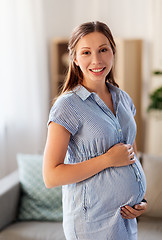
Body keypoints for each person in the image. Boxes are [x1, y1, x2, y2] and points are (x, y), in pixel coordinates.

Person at [43, 21, 147, 240]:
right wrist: (108, 160)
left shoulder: (123, 98)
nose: (97, 60)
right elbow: (51, 176)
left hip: (125, 221)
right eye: (86, 52)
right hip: (93, 225)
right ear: (75, 58)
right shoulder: (67, 106)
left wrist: (140, 200)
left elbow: (130, 153)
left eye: (103, 50)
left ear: (113, 51)